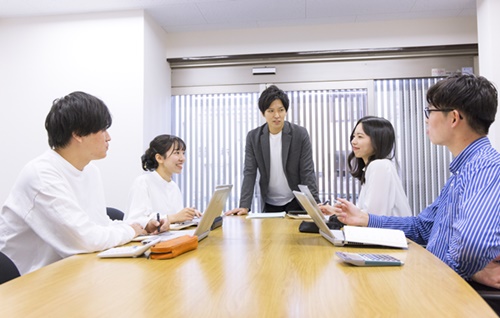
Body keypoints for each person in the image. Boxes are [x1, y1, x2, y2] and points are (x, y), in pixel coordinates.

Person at [320, 74, 500, 289]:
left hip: (447, 290)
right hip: (437, 281)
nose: (426, 119)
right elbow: (422, 227)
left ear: (453, 118)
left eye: (430, 111)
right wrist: (365, 219)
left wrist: (440, 271)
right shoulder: (463, 171)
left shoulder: (485, 167)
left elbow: (474, 246)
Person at [0, 91, 161, 275]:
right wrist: (130, 231)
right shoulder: (41, 175)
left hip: (70, 272)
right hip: (26, 283)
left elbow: (99, 225)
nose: (108, 137)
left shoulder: (90, 171)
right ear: (78, 134)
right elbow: (84, 239)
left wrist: (141, 227)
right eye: (102, 130)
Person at [225, 85, 319, 215]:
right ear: (263, 113)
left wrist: (315, 204)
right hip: (269, 202)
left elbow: (307, 171)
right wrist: (244, 205)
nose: (276, 115)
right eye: (270, 111)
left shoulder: (300, 134)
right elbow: (249, 172)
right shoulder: (253, 137)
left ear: (286, 111)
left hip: (296, 200)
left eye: (280, 110)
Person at [126, 134, 201, 227]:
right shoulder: (143, 182)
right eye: (177, 153)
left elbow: (177, 220)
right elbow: (135, 220)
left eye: (183, 153)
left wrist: (188, 215)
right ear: (159, 158)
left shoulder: (173, 186)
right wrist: (174, 217)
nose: (182, 158)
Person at [344, 116, 412, 217]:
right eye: (353, 136)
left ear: (377, 140)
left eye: (360, 136)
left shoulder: (380, 166)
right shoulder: (373, 167)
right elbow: (365, 213)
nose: (353, 141)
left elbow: (372, 218)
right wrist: (337, 212)